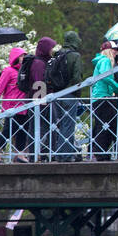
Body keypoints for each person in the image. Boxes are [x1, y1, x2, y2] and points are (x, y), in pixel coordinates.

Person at [90, 41, 118, 160]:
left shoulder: (100, 61)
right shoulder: (105, 61)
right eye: (114, 50)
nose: (116, 52)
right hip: (103, 97)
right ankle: (100, 153)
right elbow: (105, 77)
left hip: (99, 97)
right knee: (105, 125)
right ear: (108, 51)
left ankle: (100, 152)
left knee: (104, 125)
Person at [0, 46, 30, 163]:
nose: (24, 58)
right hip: (11, 106)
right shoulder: (8, 71)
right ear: (16, 58)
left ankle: (20, 154)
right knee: (8, 130)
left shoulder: (24, 71)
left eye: (24, 55)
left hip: (23, 106)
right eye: (22, 56)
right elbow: (0, 87)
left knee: (23, 131)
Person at [50, 30, 84, 160]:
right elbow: (77, 78)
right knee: (68, 125)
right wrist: (77, 94)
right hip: (70, 94)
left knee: (59, 124)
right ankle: (65, 156)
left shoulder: (57, 54)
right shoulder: (75, 56)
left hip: (56, 95)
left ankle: (58, 153)